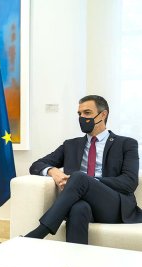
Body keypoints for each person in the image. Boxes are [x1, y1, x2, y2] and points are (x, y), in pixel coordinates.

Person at [25, 95, 141, 244]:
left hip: (114, 206)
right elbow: (36, 165)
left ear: (103, 114)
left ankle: (37, 235)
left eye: (87, 113)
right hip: (83, 203)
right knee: (79, 208)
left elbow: (129, 182)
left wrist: (89, 181)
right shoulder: (70, 145)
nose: (82, 117)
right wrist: (54, 171)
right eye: (79, 114)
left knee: (79, 177)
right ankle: (76, 262)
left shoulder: (126, 144)